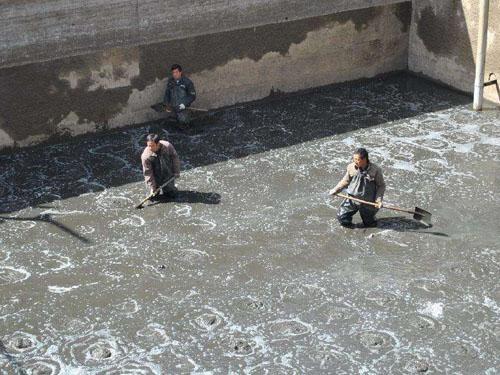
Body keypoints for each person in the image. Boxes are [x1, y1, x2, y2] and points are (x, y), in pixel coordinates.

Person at [329, 148, 386, 228]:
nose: (355, 161)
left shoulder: (375, 170)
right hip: (352, 198)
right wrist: (336, 189)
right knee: (342, 218)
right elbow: (345, 181)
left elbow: (381, 185)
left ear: (365, 159)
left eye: (357, 159)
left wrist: (378, 200)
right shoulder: (351, 167)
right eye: (354, 159)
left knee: (369, 224)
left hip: (367, 202)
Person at [141, 134, 180, 200]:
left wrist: (176, 171)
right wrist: (152, 187)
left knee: (171, 195)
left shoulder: (167, 146)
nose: (150, 148)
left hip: (167, 173)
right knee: (152, 196)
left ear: (158, 144)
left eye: (152, 146)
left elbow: (175, 158)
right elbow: (148, 173)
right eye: (148, 146)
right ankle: (154, 190)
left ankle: (170, 190)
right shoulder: (146, 156)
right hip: (154, 176)